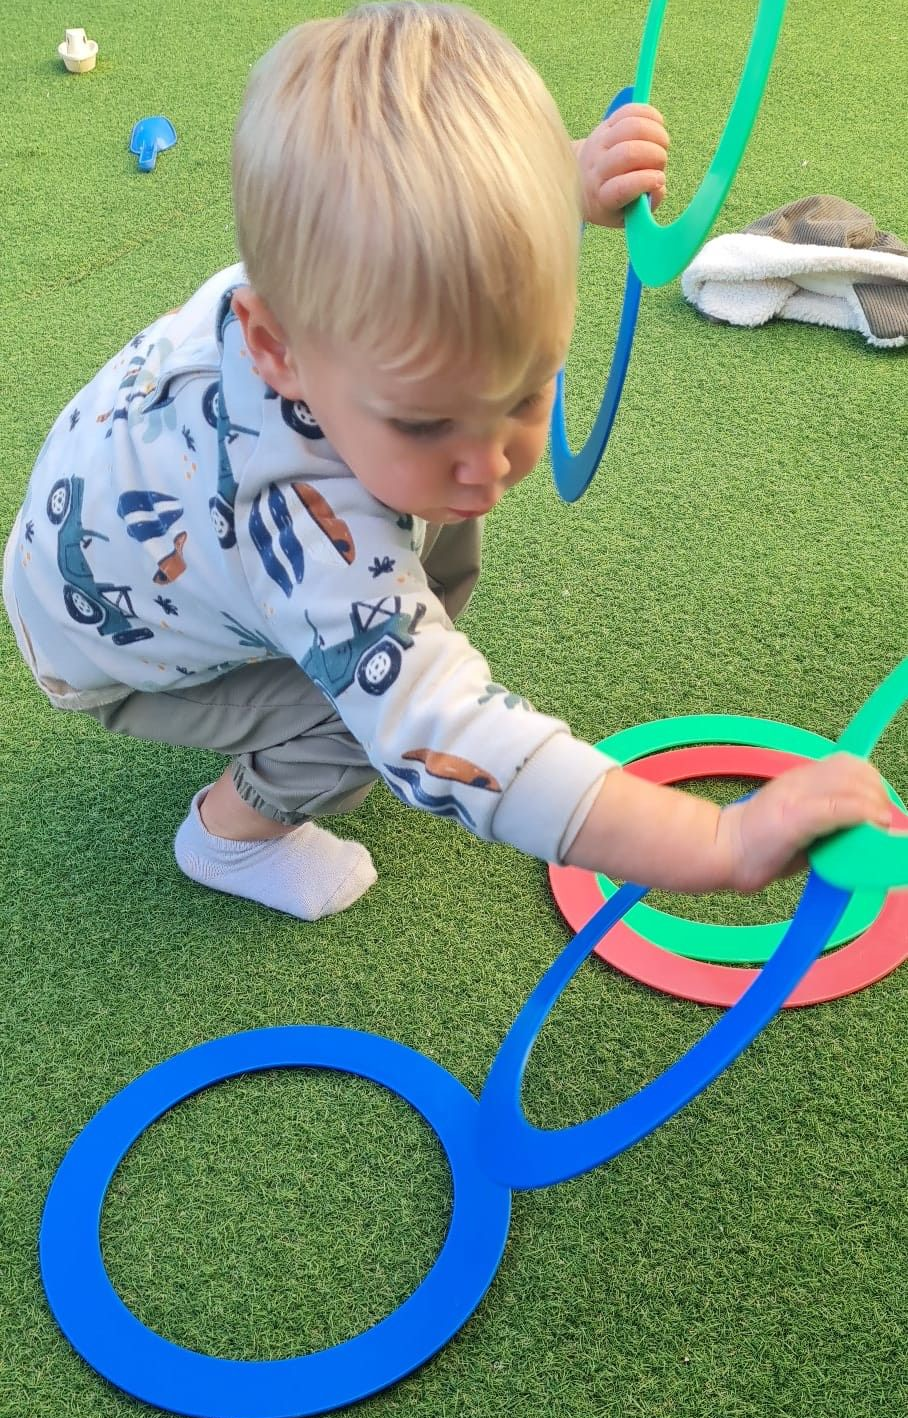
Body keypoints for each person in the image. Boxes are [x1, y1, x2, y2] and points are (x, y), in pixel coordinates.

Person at [2, 2, 889, 922]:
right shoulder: (304, 523)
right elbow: (445, 736)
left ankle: (392, 539)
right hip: (104, 644)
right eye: (427, 423)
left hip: (112, 521)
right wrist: (723, 841)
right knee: (363, 717)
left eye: (525, 392)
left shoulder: (335, 281)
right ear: (278, 351)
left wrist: (562, 182)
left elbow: (429, 205)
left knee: (435, 526)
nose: (489, 465)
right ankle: (229, 834)